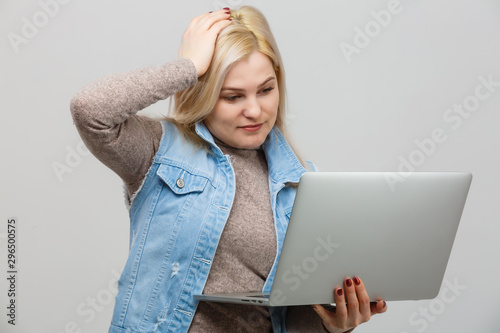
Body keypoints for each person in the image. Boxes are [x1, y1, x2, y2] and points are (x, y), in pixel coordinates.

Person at [70, 5, 387, 333]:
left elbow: (289, 320)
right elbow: (90, 109)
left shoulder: (303, 185)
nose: (255, 110)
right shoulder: (158, 150)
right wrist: (188, 67)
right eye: (233, 96)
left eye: (266, 90)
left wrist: (333, 325)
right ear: (203, 93)